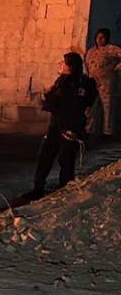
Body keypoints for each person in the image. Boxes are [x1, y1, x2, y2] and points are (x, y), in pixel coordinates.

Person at [29, 52, 97, 197]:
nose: (61, 65)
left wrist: (48, 97)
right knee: (45, 157)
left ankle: (63, 191)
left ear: (71, 66)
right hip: (56, 125)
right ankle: (38, 188)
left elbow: (74, 104)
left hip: (69, 127)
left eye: (64, 63)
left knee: (66, 160)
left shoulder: (79, 83)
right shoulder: (63, 81)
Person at [85, 28, 121, 140]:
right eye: (98, 37)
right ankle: (89, 130)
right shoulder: (91, 51)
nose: (99, 40)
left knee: (107, 108)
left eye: (102, 37)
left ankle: (107, 132)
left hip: (106, 84)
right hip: (93, 83)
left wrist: (116, 68)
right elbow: (86, 65)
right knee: (91, 107)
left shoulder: (111, 49)